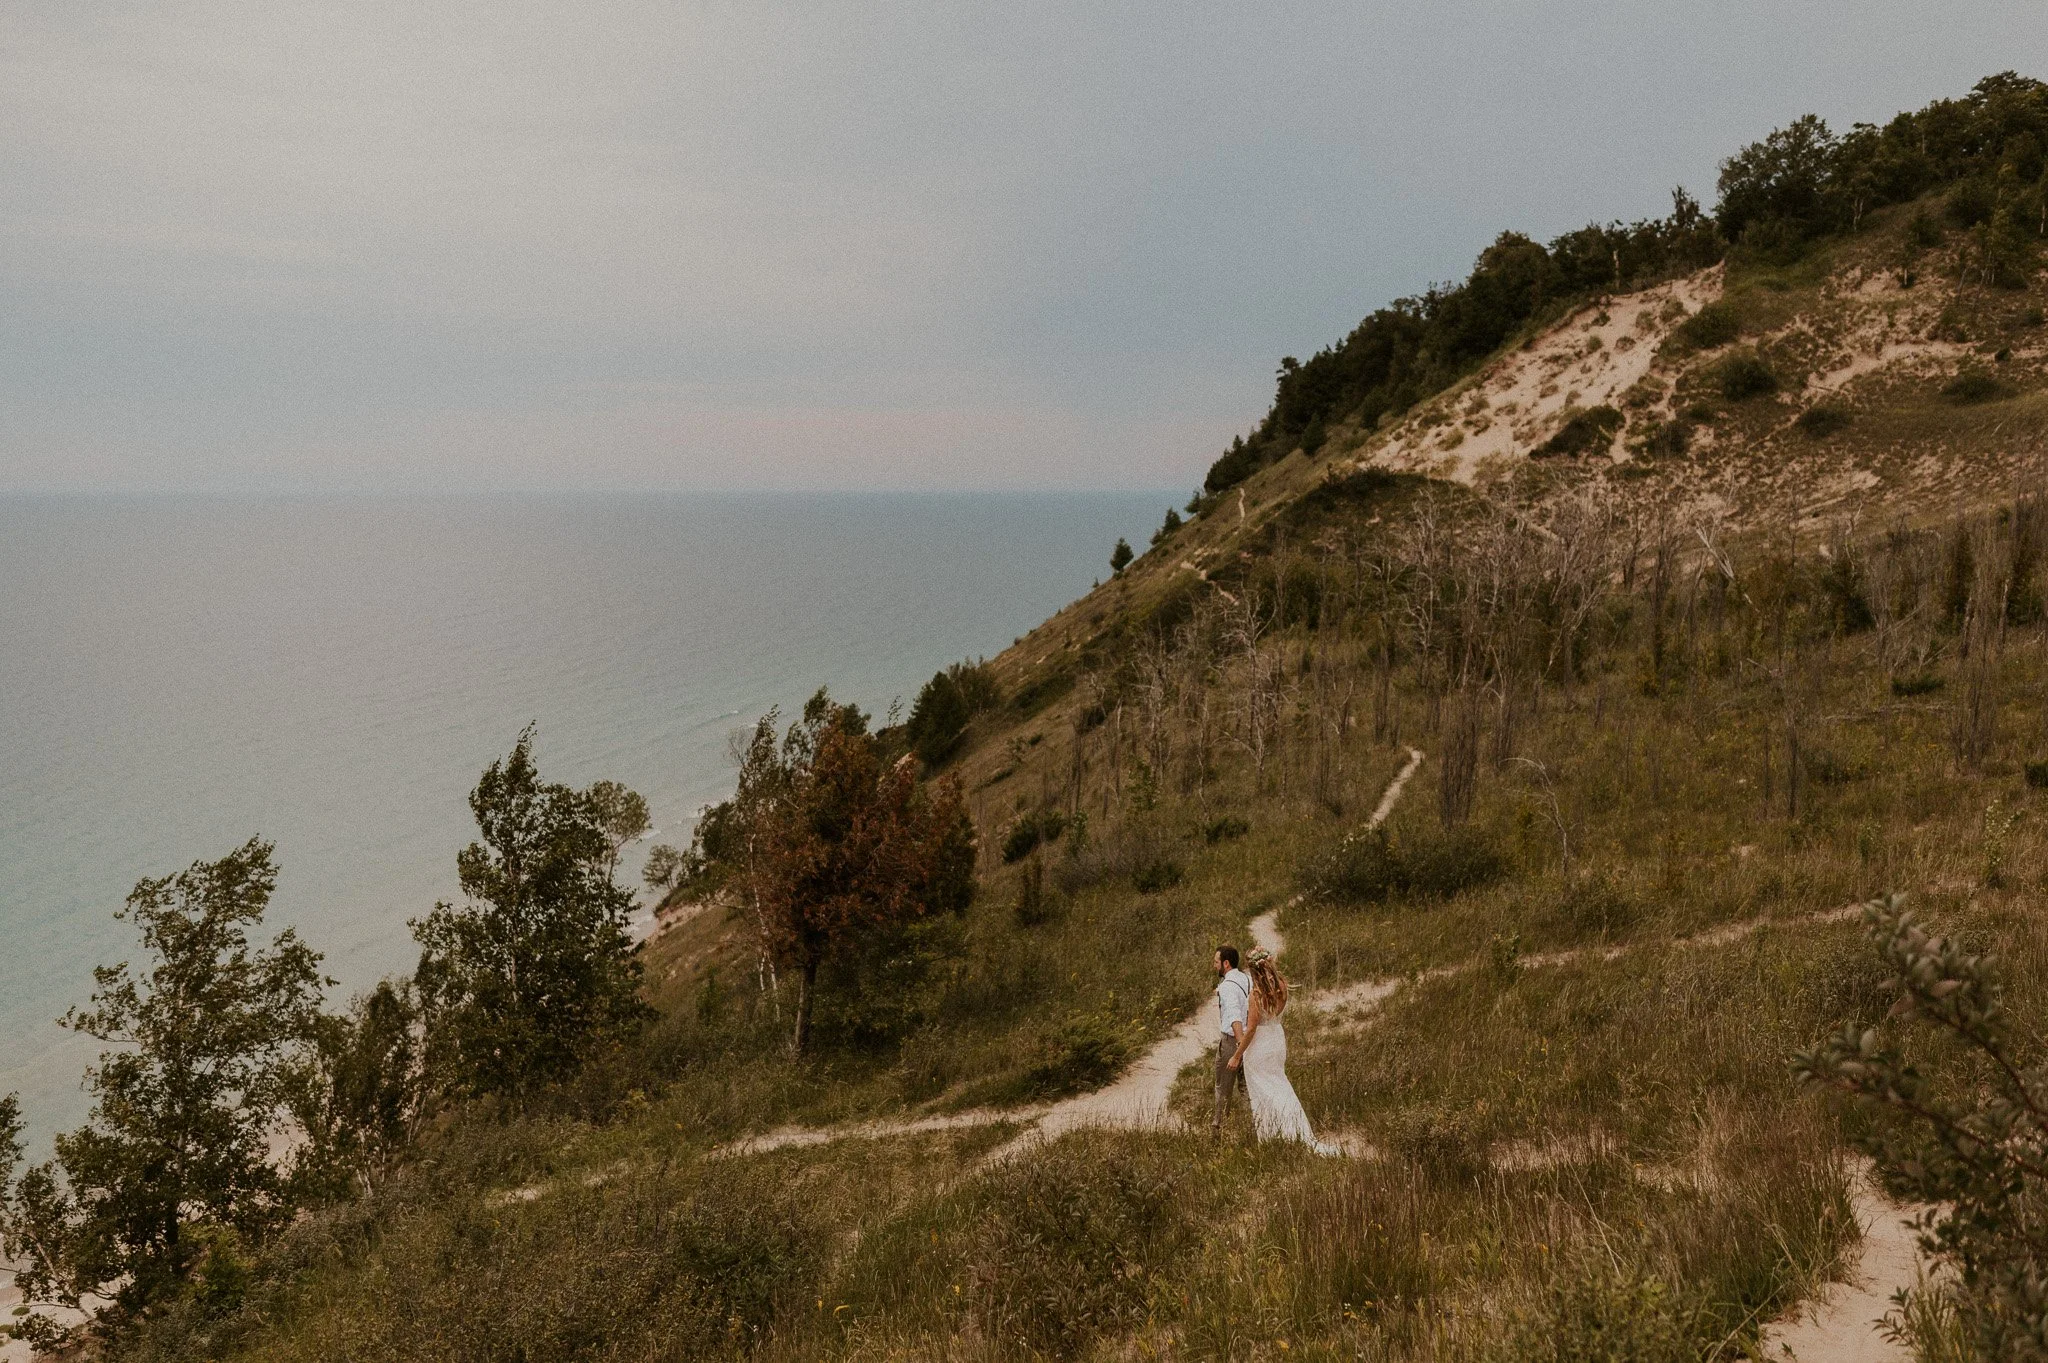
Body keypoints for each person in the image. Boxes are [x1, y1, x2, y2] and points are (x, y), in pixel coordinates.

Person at [1226, 948, 1338, 1155]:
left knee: (1263, 1089)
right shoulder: (1282, 987)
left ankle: (1273, 1134)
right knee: (1279, 1083)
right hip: (1276, 1038)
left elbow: (1250, 1030)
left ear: (1253, 971)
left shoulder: (1256, 995)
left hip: (1260, 1044)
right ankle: (1293, 1128)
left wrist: (1236, 1055)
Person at [1212, 944, 1251, 1140]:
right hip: (1252, 1042)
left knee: (1223, 1089)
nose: (1214, 966)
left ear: (1226, 964)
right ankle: (1252, 1131)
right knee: (1246, 1089)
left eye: (1216, 962)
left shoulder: (1227, 987)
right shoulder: (1248, 979)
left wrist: (1239, 1048)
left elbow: (1235, 1017)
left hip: (1232, 1043)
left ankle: (1218, 1131)